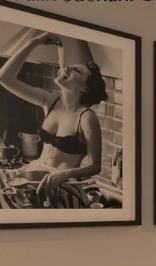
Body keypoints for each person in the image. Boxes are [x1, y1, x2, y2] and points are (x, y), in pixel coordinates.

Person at [0, 31, 106, 204]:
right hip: (33, 171)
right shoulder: (50, 101)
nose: (68, 68)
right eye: (70, 66)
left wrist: (64, 174)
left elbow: (95, 166)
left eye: (77, 70)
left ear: (85, 88)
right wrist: (34, 42)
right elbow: (4, 78)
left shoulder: (87, 118)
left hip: (62, 184)